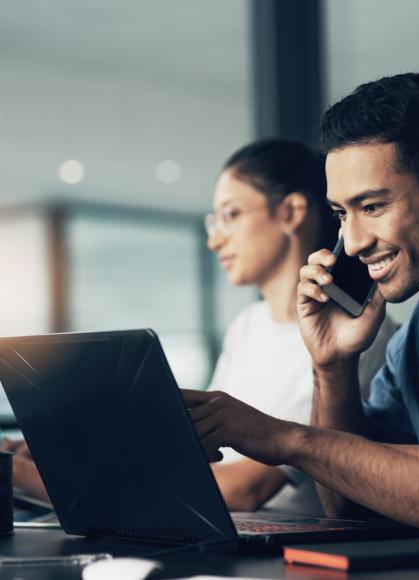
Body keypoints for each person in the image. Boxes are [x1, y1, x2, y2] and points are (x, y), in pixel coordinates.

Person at [183, 73, 419, 542]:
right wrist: (332, 365)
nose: (354, 241)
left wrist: (282, 438)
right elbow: (350, 501)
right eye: (342, 214)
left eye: (372, 207)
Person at [3, 138, 397, 514]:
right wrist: (70, 458)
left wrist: (38, 479)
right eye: (214, 221)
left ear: (291, 213)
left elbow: (244, 488)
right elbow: (193, 457)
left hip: (289, 546)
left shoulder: (354, 333)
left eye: (231, 215)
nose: (215, 241)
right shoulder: (248, 325)